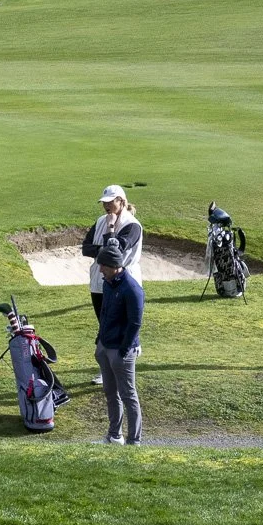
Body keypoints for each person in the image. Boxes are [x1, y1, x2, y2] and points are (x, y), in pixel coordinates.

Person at [80, 185, 143, 383]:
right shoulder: (100, 220)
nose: (106, 205)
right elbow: (85, 248)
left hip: (124, 281)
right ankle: (107, 369)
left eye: (111, 201)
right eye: (104, 202)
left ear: (121, 202)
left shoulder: (132, 225)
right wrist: (104, 247)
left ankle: (127, 357)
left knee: (122, 324)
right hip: (99, 282)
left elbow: (116, 252)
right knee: (104, 324)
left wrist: (111, 229)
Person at [93, 236, 145, 445]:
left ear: (115, 266)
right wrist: (99, 340)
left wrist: (124, 350)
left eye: (103, 266)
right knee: (110, 393)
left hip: (121, 351)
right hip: (105, 346)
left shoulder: (132, 289)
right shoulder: (108, 283)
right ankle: (115, 436)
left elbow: (135, 323)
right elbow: (105, 312)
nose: (100, 270)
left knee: (128, 395)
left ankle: (134, 440)